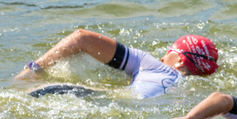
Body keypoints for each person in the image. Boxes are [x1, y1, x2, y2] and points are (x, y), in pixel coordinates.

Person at [14, 29, 219, 99]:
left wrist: (35, 68)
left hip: (99, 99)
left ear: (180, 60)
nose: (163, 57)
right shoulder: (197, 94)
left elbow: (81, 38)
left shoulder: (155, 65)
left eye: (168, 52)